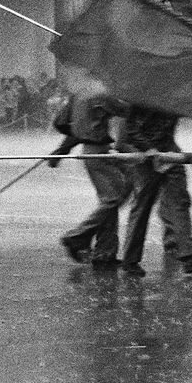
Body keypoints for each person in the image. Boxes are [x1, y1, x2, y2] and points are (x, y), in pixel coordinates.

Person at [118, 105, 192, 277]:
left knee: (180, 201)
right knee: (143, 206)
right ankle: (130, 260)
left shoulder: (176, 94)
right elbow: (130, 130)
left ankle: (189, 255)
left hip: (170, 152)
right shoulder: (143, 94)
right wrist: (148, 149)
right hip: (145, 157)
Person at [54, 94, 133, 269]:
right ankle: (77, 236)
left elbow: (61, 123)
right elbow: (124, 110)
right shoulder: (100, 93)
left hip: (92, 151)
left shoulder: (77, 94)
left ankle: (105, 252)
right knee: (114, 198)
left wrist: (61, 150)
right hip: (98, 152)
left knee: (110, 199)